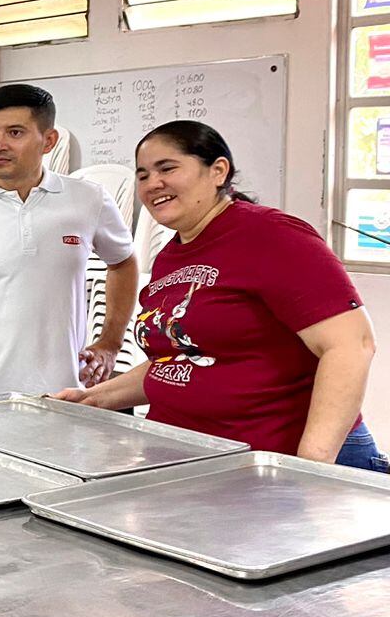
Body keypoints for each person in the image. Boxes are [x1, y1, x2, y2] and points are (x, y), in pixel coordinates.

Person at [56, 121, 379, 466]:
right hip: (197, 458)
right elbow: (177, 361)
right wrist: (91, 400)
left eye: (167, 168)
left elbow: (351, 345)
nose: (153, 184)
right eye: (143, 175)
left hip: (273, 464)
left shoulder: (271, 235)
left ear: (218, 171)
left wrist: (310, 467)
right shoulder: (172, 254)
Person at [0, 83, 138, 398]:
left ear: (49, 141)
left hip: (66, 396)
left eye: (15, 133)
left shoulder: (88, 200)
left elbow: (123, 262)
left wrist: (110, 343)